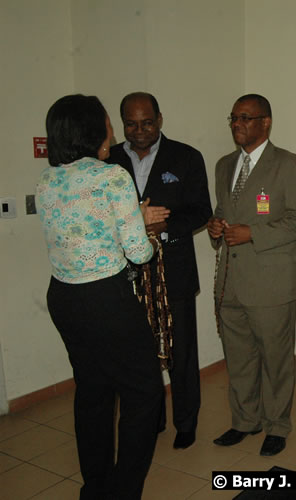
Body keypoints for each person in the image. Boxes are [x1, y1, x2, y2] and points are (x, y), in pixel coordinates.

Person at [36, 94, 163, 499]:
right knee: (144, 395)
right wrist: (145, 230)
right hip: (106, 301)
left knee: (92, 392)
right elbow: (137, 252)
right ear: (92, 129)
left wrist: (124, 221)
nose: (112, 129)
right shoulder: (111, 177)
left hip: (64, 298)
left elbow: (78, 232)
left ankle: (95, 488)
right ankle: (125, 490)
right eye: (108, 122)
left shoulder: (47, 179)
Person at [208, 94, 296, 457]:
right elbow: (223, 208)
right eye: (233, 118)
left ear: (265, 122)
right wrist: (215, 225)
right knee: (238, 356)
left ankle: (277, 425)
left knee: (275, 359)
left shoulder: (290, 164)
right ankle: (244, 421)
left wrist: (254, 233)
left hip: (271, 282)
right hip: (231, 281)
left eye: (246, 118)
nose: (238, 124)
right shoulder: (223, 165)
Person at [108, 92, 212, 450]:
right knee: (138, 354)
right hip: (124, 275)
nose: (139, 131)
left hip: (174, 272)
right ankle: (152, 418)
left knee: (181, 352)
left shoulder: (185, 157)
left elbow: (200, 211)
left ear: (160, 119)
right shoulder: (109, 161)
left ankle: (186, 421)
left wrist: (162, 229)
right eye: (131, 124)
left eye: (147, 123)